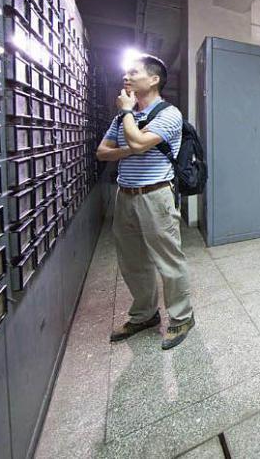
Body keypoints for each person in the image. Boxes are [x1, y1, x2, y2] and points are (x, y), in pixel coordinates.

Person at [95, 54, 195, 350]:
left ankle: (182, 317)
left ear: (153, 79)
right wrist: (131, 145)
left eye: (133, 72)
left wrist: (128, 119)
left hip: (156, 195)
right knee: (132, 262)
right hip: (125, 195)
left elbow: (137, 143)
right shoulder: (122, 119)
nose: (126, 77)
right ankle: (144, 315)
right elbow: (102, 152)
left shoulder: (169, 113)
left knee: (169, 260)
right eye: (125, 73)